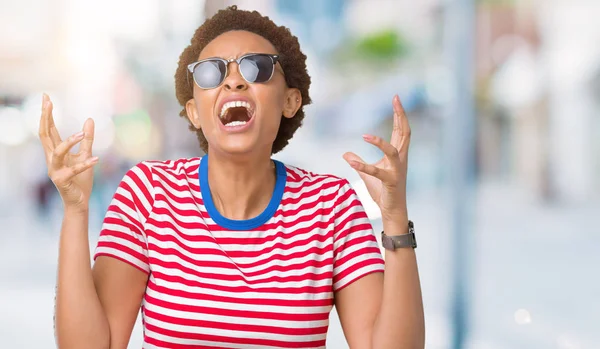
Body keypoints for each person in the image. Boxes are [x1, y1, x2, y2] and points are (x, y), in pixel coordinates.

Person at [39, 6, 424, 349]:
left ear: (290, 100)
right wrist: (75, 211)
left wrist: (394, 218)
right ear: (194, 111)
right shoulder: (149, 193)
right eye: (211, 72)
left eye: (257, 67)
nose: (233, 81)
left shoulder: (331, 205)